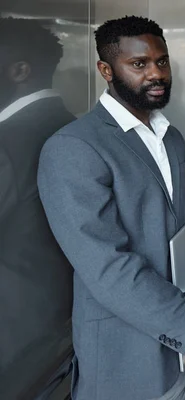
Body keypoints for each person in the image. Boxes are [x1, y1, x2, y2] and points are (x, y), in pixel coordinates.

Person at [37, 16, 185, 400]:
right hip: (124, 363)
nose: (156, 74)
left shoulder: (171, 137)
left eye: (161, 61)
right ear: (106, 70)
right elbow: (107, 266)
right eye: (139, 64)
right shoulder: (74, 148)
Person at [0, 18, 75, 398]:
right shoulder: (75, 129)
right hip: (62, 336)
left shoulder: (6, 144)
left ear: (19, 70)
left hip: (12, 348)